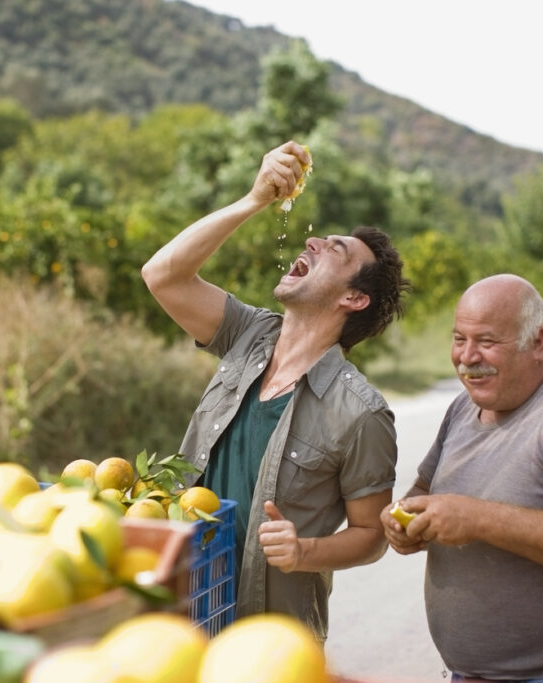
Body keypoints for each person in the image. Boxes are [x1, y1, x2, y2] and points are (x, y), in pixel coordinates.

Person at [141, 140, 410, 640]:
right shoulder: (247, 335)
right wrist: (253, 200)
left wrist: (305, 551)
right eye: (319, 239)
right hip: (185, 608)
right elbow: (163, 275)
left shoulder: (361, 412)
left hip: (269, 639)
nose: (313, 243)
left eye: (336, 250)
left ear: (354, 297)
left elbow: (372, 536)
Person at [382, 274, 543, 682]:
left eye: (487, 342)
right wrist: (404, 519)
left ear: (536, 342)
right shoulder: (464, 407)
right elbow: (426, 491)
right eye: (458, 339)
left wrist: (477, 518)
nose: (467, 357)